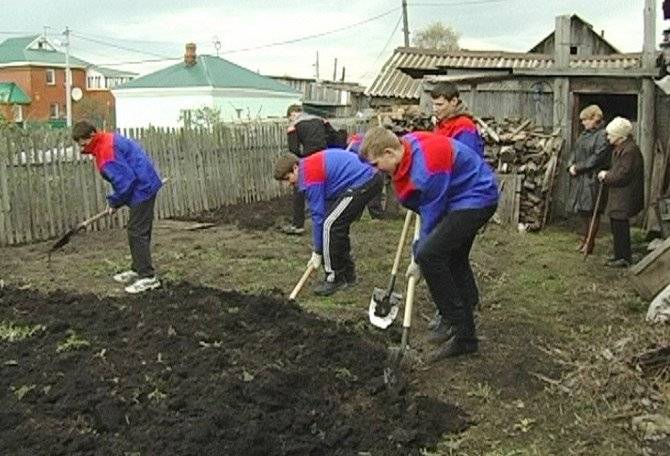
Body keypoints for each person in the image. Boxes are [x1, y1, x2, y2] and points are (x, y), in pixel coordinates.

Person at [360, 127, 498, 361]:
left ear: (389, 153)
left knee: (430, 255)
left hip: (476, 197)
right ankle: (465, 327)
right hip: (457, 196)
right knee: (453, 258)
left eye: (375, 164)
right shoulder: (406, 146)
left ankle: (456, 326)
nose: (375, 171)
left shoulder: (427, 169)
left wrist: (417, 257)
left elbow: (431, 217)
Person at [274, 149, 383, 296]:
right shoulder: (308, 169)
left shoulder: (310, 175)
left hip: (365, 180)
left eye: (288, 179)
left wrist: (318, 252)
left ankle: (334, 277)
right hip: (366, 179)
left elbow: (318, 217)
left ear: (295, 168)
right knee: (336, 226)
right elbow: (325, 208)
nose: (288, 184)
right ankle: (348, 275)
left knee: (330, 224)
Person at [72, 121, 163, 294]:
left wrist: (114, 201)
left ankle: (147, 277)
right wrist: (116, 201)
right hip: (143, 183)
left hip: (142, 188)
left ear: (91, 135)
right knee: (138, 230)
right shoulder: (105, 141)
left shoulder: (106, 151)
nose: (80, 147)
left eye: (82, 142)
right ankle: (137, 269)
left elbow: (125, 181)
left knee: (137, 231)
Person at [283, 104, 346, 235]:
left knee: (299, 188)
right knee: (328, 189)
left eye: (290, 118)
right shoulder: (320, 119)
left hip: (310, 159)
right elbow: (334, 137)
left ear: (293, 113)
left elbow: (293, 150)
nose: (290, 120)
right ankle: (332, 219)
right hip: (326, 158)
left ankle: (298, 224)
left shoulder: (294, 125)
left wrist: (302, 160)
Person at [597, 117, 644, 268]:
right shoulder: (620, 149)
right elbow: (617, 170)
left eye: (611, 134)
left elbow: (623, 175)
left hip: (625, 194)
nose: (608, 137)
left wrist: (606, 176)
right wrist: (608, 173)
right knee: (616, 225)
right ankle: (620, 255)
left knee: (620, 225)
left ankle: (624, 257)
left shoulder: (630, 151)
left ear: (620, 136)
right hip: (619, 194)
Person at [566, 105, 612, 254]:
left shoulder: (603, 136)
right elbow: (574, 151)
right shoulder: (583, 135)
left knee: (593, 212)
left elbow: (597, 158)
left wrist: (578, 167)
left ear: (594, 119)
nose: (582, 123)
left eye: (585, 120)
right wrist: (570, 165)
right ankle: (584, 239)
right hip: (581, 179)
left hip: (593, 180)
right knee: (583, 212)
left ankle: (590, 242)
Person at [431, 81, 485, 158]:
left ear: (454, 101)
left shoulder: (464, 126)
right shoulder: (441, 123)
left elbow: (467, 159)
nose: (435, 109)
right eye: (433, 104)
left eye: (439, 104)